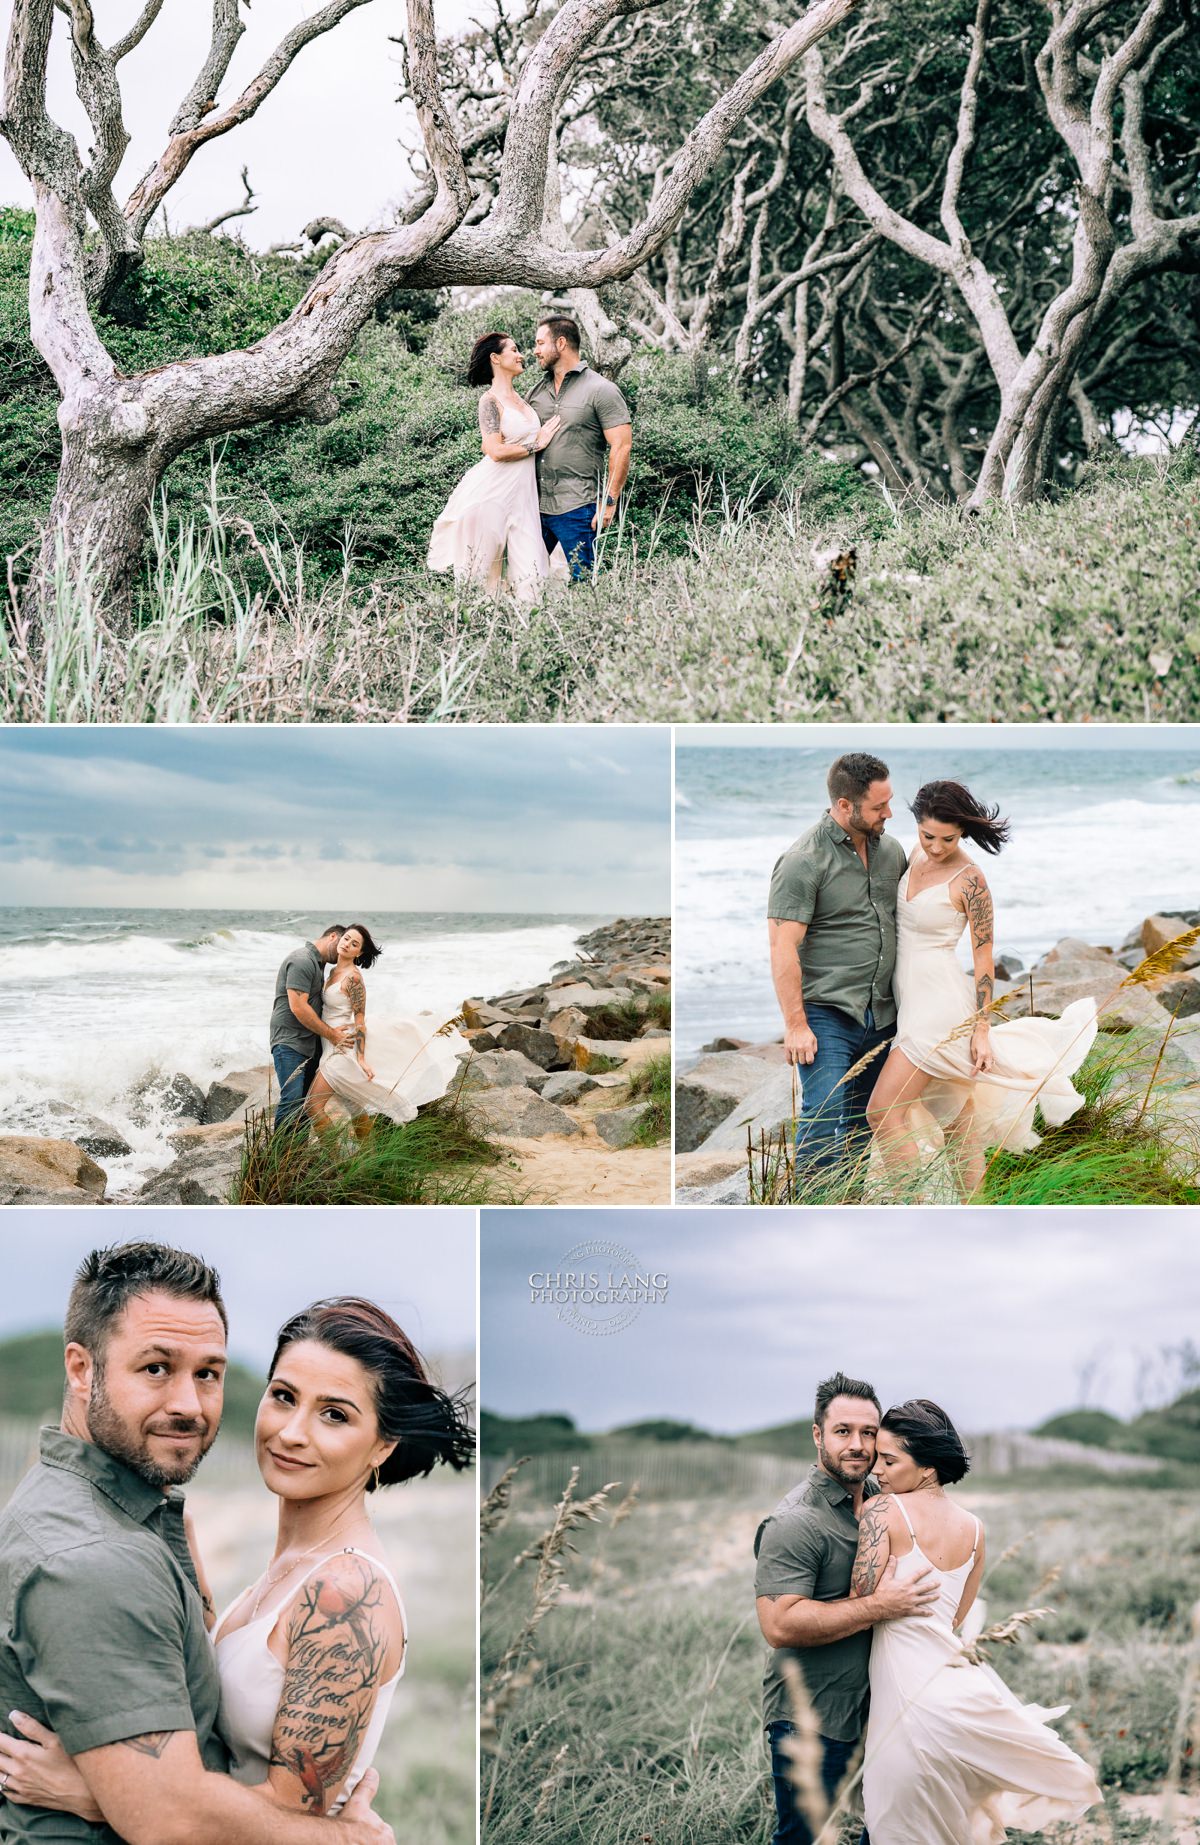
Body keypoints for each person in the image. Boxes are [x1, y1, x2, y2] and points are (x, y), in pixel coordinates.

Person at [0, 1253, 474, 1833]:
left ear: (381, 1446)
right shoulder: (283, 1569)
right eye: (283, 1396)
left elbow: (287, 1821)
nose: (292, 1432)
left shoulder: (348, 1591)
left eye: (334, 1415)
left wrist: (103, 1794)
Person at [851, 1399, 1102, 1843]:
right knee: (948, 1822)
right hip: (955, 1687)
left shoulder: (883, 1512)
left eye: (889, 1461)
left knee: (894, 1818)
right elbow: (954, 1618)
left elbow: (858, 1605)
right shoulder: (975, 1527)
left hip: (908, 1698)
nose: (878, 1473)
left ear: (927, 1467)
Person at [865, 781, 1097, 1196]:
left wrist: (982, 1029)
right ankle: (977, 1206)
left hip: (937, 1007)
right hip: (909, 1000)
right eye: (928, 835)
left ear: (964, 832)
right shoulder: (913, 854)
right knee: (957, 1117)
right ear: (917, 825)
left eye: (949, 839)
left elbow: (984, 959)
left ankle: (908, 1203)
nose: (937, 847)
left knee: (883, 1111)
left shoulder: (970, 880)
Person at [754, 1372, 939, 1845]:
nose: (858, 1445)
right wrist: (881, 1606)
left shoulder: (886, 1503)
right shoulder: (795, 1521)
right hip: (815, 1712)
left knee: (885, 1831)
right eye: (843, 1432)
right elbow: (779, 1623)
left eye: (869, 1432)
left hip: (881, 1709)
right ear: (818, 1435)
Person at [768, 755, 907, 1177]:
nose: (889, 813)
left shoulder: (892, 852)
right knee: (824, 1116)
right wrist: (795, 1025)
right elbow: (782, 946)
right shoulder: (802, 860)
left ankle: (846, 1200)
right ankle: (810, 1205)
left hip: (884, 1014)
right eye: (879, 807)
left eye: (889, 802)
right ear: (846, 806)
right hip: (828, 1015)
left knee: (863, 1123)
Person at [427, 331, 562, 602]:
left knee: (534, 578)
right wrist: (537, 444)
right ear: (495, 358)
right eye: (513, 350)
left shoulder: (524, 400)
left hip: (524, 503)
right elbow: (494, 450)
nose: (521, 354)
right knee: (478, 581)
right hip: (490, 498)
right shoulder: (489, 401)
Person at [302, 924, 468, 1139]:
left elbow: (360, 1019)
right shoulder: (333, 971)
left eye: (354, 944)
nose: (347, 944)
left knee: (312, 1106)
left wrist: (360, 1058)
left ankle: (334, 1161)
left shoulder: (353, 977)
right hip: (330, 1045)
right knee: (355, 1108)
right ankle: (367, 1158)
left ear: (359, 952)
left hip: (343, 1049)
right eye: (346, 939)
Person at [526, 315, 633, 579]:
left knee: (583, 583)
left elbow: (621, 446)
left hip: (579, 507)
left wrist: (609, 503)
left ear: (560, 343)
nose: (535, 350)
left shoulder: (601, 389)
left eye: (540, 343)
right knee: (525, 581)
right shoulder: (536, 392)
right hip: (533, 506)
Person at [270, 927, 353, 1132]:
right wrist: (332, 1035)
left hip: (309, 1042)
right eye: (344, 942)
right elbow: (298, 1007)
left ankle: (298, 1157)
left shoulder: (319, 964)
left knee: (307, 1103)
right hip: (290, 1041)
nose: (343, 950)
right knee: (292, 1101)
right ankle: (280, 1159)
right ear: (332, 936)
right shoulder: (302, 960)